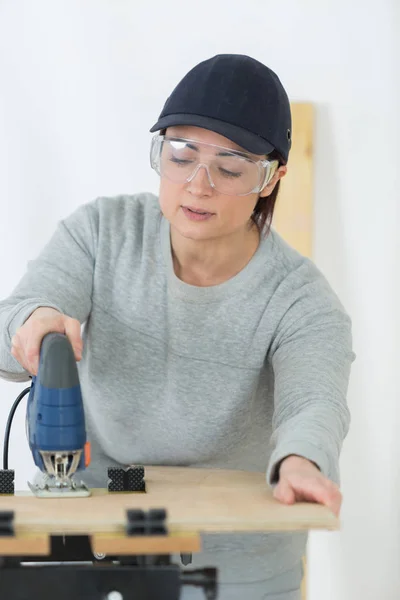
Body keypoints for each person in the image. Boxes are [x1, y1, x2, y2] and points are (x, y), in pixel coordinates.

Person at [0, 54, 355, 599]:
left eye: (230, 168)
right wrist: (32, 323)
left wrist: (302, 461)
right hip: (102, 534)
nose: (199, 184)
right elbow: (14, 327)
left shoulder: (302, 300)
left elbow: (314, 404)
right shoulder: (101, 233)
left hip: (236, 561)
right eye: (181, 156)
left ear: (272, 177)